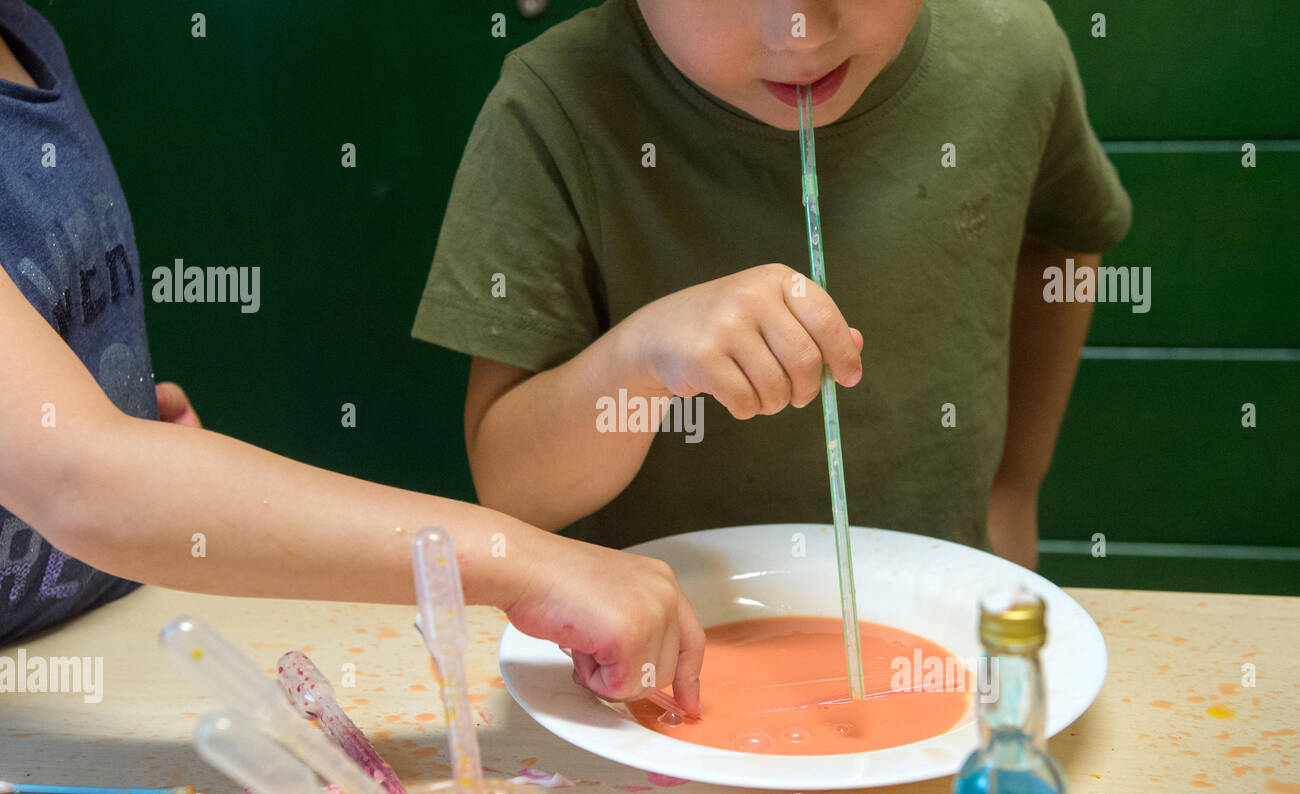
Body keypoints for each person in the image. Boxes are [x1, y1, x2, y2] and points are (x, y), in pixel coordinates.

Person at [0, 0, 703, 714]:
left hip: (110, 636)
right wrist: (525, 564)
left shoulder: (24, 38)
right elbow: (81, 479)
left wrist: (126, 433)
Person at [413, 0, 1130, 573]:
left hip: (948, 631)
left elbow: (1062, 241)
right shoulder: (554, 109)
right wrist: (641, 361)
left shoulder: (1013, 49)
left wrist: (1016, 489)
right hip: (659, 668)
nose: (803, 32)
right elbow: (513, 488)